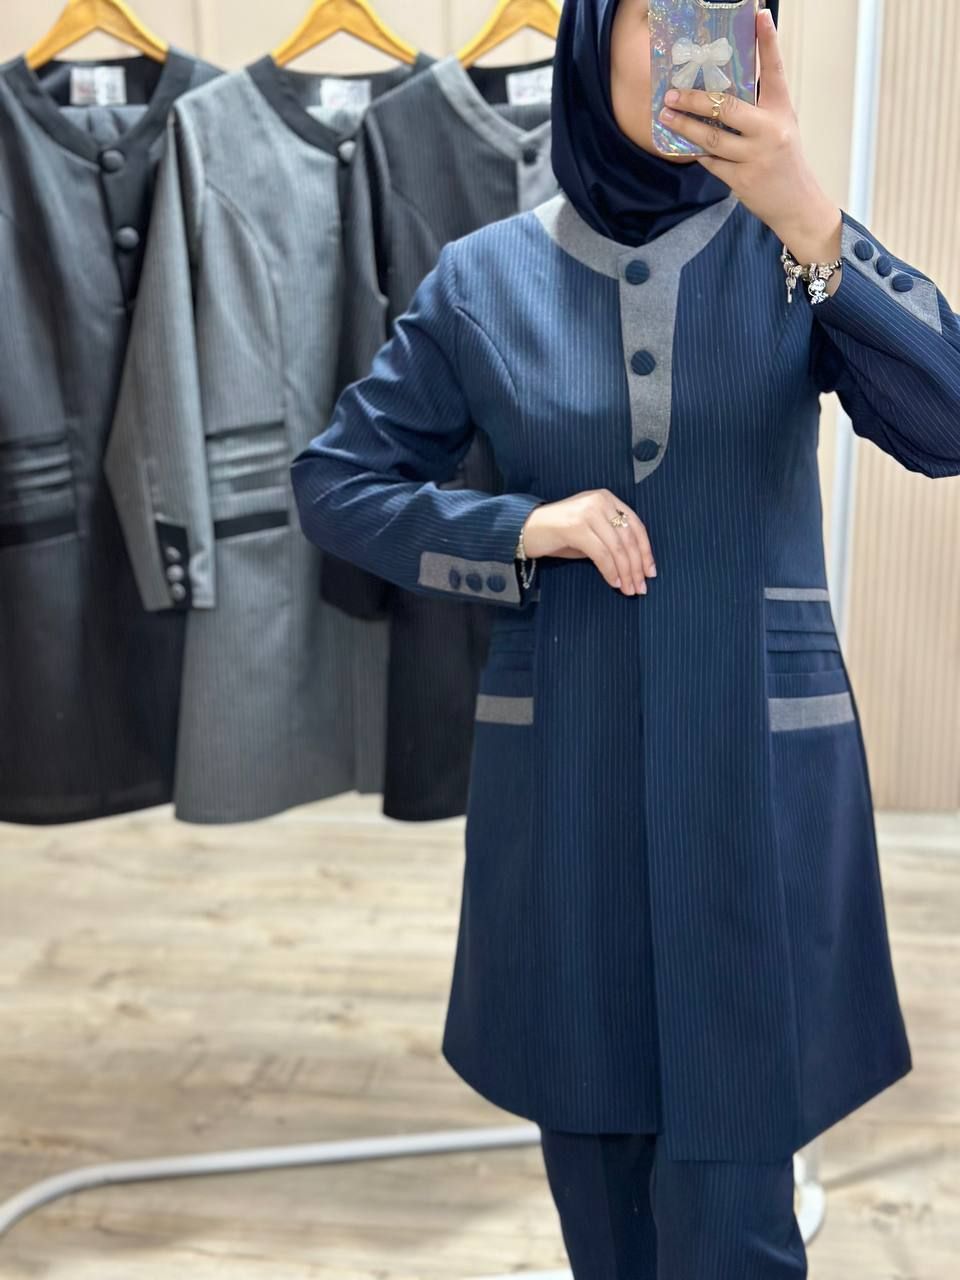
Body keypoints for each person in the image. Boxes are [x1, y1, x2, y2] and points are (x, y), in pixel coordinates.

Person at [292, 0, 960, 1273]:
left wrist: (812, 217)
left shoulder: (791, 251)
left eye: (725, 10)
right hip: (570, 779)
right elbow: (336, 483)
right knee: (600, 1193)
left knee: (735, 1210)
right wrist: (518, 527)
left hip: (752, 776)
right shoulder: (483, 278)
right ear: (592, 35)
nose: (691, 45)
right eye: (661, 13)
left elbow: (952, 423)